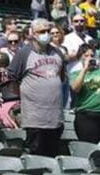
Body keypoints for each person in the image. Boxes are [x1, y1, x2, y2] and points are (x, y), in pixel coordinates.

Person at [8, 18, 66, 157]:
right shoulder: (24, 53)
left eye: (48, 31)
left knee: (52, 155)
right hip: (35, 117)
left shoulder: (57, 53)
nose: (46, 34)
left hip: (55, 117)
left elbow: (61, 76)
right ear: (33, 33)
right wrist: (21, 98)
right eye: (42, 31)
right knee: (35, 154)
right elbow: (12, 78)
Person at [70, 44, 100, 144]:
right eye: (86, 56)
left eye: (92, 55)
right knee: (89, 147)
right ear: (80, 57)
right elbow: (75, 88)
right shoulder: (76, 73)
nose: (90, 58)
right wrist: (84, 70)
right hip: (86, 115)